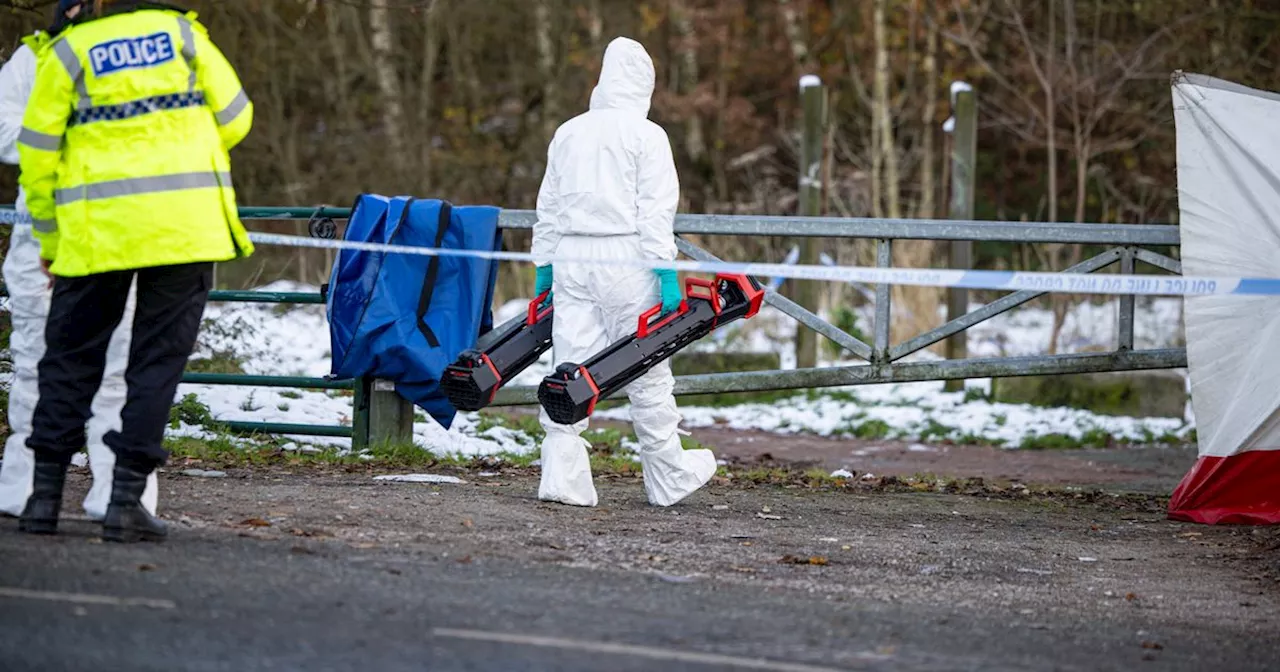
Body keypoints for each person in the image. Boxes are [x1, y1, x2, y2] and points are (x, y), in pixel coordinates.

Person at [16, 0, 254, 542]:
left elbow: (36, 151)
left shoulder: (69, 49)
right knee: (155, 364)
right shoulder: (182, 35)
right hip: (183, 228)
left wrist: (51, 241)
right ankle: (125, 503)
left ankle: (43, 500)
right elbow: (237, 116)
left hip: (95, 230)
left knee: (70, 360)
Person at [532, 36, 716, 508]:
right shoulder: (647, 135)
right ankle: (667, 475)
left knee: (570, 365)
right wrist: (666, 272)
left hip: (573, 260)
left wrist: (544, 266)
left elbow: (548, 207)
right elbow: (655, 213)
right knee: (647, 365)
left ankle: (563, 477)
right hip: (626, 261)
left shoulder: (569, 131)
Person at [0, 1, 159, 522]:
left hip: (119, 229)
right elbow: (5, 133)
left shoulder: (137, 56)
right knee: (36, 364)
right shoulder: (33, 60)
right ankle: (23, 491)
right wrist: (80, 142)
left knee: (118, 368)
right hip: (46, 228)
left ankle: (116, 495)